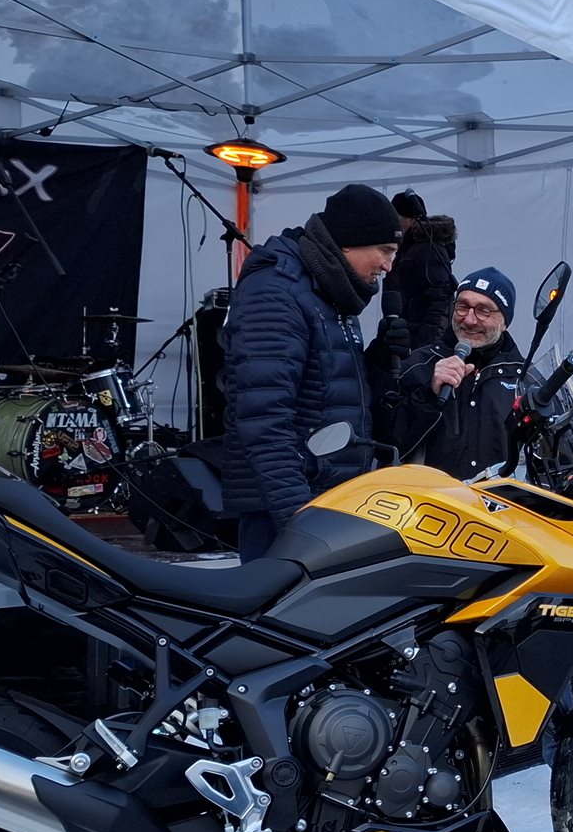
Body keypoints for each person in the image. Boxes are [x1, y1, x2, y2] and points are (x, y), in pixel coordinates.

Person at [220, 184, 401, 560]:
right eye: (385, 250)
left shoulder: (330, 291)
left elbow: (333, 388)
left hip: (326, 501)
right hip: (287, 509)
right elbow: (264, 419)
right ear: (349, 243)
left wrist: (383, 355)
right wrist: (299, 522)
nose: (388, 265)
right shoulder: (276, 293)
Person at [388, 267, 525, 480]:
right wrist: (429, 394)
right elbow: (388, 445)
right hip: (428, 495)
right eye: (462, 307)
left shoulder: (523, 379)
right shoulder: (418, 364)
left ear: (504, 322)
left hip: (496, 499)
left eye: (483, 310)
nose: (469, 320)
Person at [367, 196, 457, 416]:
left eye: (395, 216)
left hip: (415, 348)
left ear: (409, 218)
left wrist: (423, 350)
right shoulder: (410, 248)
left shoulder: (427, 250)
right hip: (402, 343)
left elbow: (440, 304)